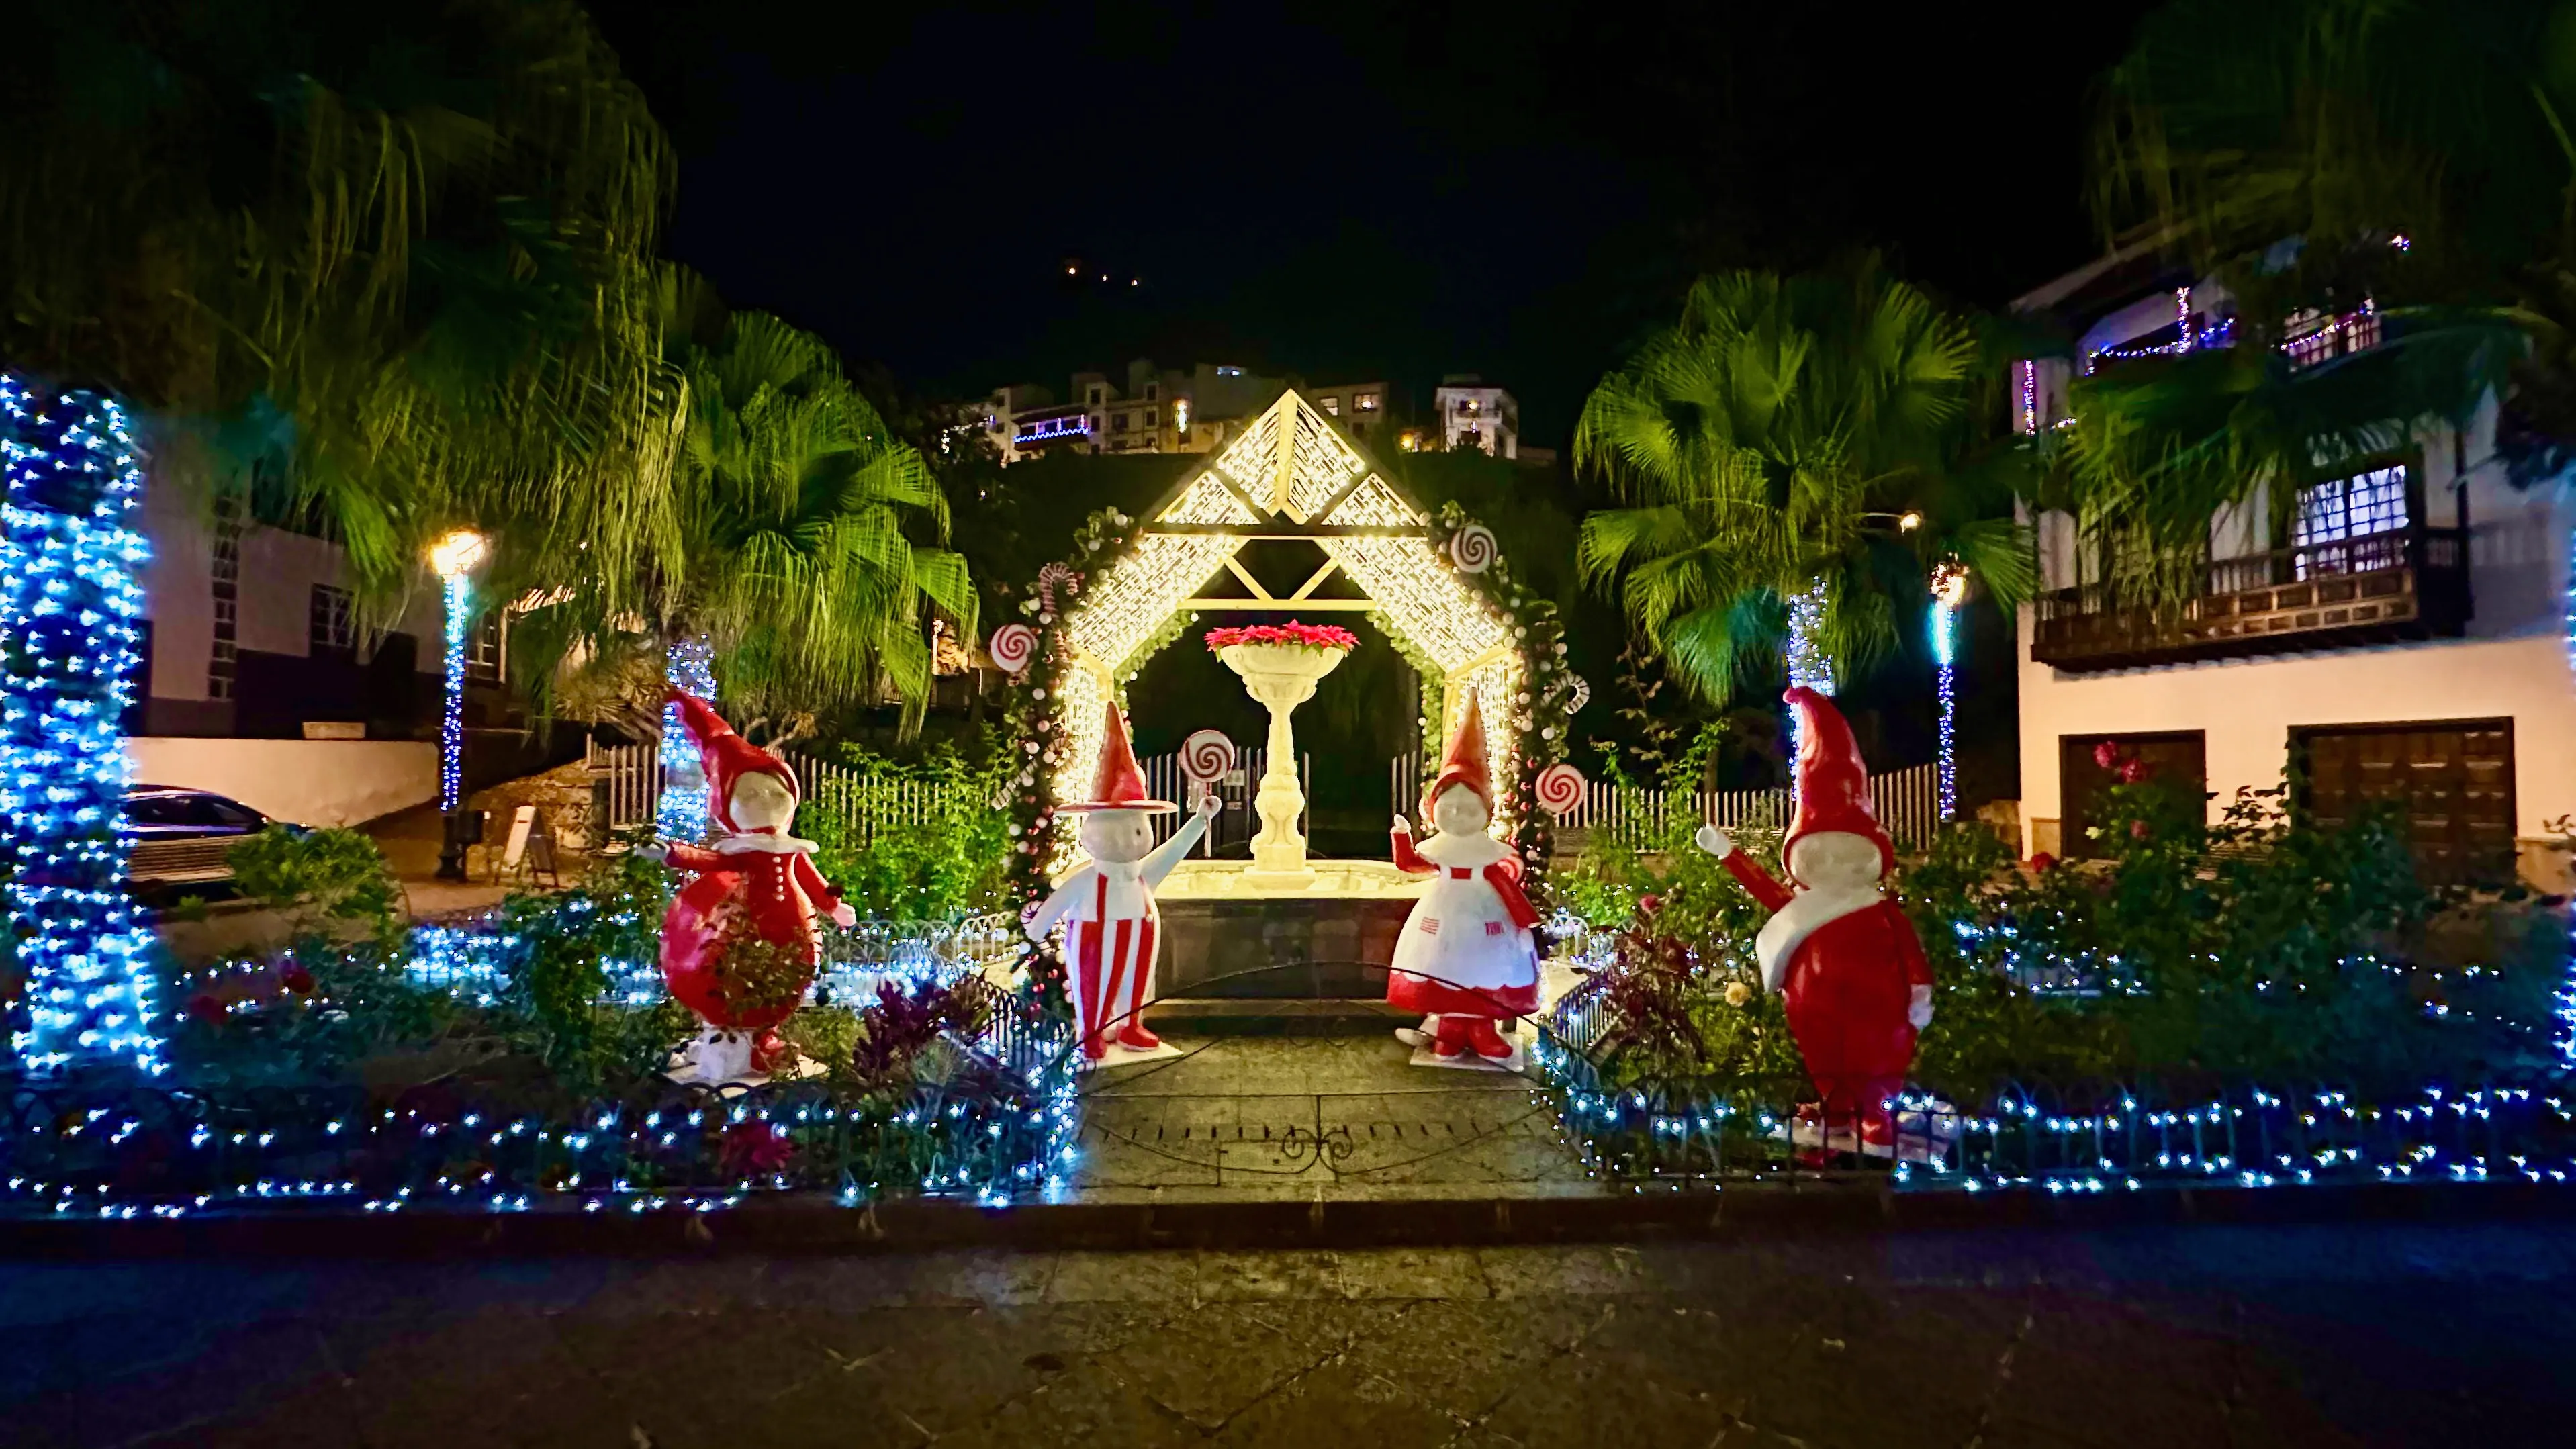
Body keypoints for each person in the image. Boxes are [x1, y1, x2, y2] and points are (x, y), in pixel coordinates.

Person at [1694, 686, 1933, 1146]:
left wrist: (1919, 989)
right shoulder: (1803, 904)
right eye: (1818, 852)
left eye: (1844, 850)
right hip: (1814, 1003)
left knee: (1877, 1052)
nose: (1832, 863)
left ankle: (1875, 1111)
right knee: (1825, 1054)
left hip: (1877, 1004)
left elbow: (1909, 949)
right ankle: (1835, 1106)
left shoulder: (1880, 910)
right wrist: (1728, 854)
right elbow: (1766, 891)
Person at [644, 690, 857, 1085]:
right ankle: (728, 1039)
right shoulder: (740, 849)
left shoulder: (790, 848)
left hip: (792, 927)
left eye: (776, 791)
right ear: (726, 803)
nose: (765, 799)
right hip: (743, 927)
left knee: (787, 977)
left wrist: (832, 906)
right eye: (750, 792)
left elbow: (810, 878)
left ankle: (767, 1038)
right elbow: (711, 860)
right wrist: (671, 852)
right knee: (735, 976)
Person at [1023, 702, 1219, 1060]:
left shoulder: (1142, 873)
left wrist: (1199, 820)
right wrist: (1038, 926)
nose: (1127, 840)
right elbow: (1061, 900)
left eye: (1135, 829)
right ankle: (1093, 1031)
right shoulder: (1088, 880)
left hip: (1141, 934)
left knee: (1136, 983)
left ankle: (1131, 1024)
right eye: (1113, 829)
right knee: (1093, 984)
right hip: (1094, 937)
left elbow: (1174, 851)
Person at [1387, 694, 1540, 1062]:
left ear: (1485, 809)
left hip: (1486, 913)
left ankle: (1482, 1029)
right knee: (1442, 964)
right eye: (1450, 806)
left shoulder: (1492, 852)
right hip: (1443, 911)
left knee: (1485, 967)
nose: (1457, 814)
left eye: (1468, 807)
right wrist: (1401, 836)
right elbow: (1410, 864)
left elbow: (1511, 871)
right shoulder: (1440, 846)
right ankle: (1450, 1030)